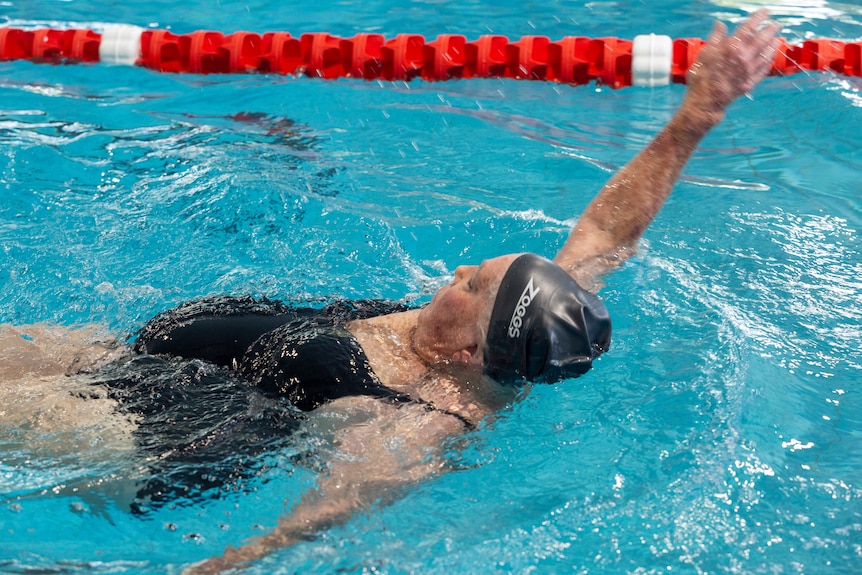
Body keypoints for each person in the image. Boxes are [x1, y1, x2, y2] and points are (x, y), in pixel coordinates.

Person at [0, 10, 780, 574]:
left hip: (151, 427)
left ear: (474, 348)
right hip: (134, 357)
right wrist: (699, 110)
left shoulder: (426, 421)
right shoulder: (527, 317)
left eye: (469, 284)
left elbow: (330, 515)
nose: (455, 272)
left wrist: (228, 563)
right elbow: (608, 230)